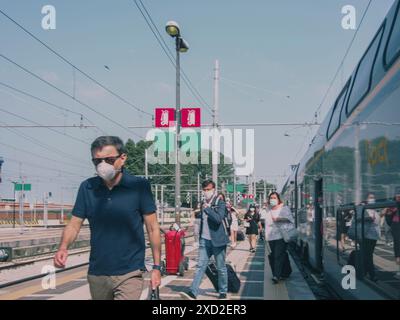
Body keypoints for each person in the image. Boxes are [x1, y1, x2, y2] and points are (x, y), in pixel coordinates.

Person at [53, 136, 161, 300]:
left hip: (130, 272)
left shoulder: (139, 186)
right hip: (98, 273)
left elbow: (153, 228)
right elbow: (74, 224)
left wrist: (157, 266)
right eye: (97, 161)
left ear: (122, 158)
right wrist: (63, 247)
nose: (103, 165)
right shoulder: (87, 188)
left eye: (109, 160)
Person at [180, 180, 230, 300]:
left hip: (218, 240)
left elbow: (218, 219)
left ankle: (223, 291)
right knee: (200, 266)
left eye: (208, 189)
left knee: (221, 267)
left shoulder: (220, 202)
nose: (206, 192)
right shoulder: (203, 203)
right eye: (204, 189)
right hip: (205, 240)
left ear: (213, 189)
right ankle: (193, 292)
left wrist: (207, 209)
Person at [264, 192, 294, 284]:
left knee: (277, 255)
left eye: (274, 198)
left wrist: (279, 219)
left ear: (278, 199)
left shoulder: (284, 208)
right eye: (271, 198)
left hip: (281, 235)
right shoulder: (268, 210)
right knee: (277, 255)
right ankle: (286, 271)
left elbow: (291, 220)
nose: (272, 199)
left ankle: (276, 275)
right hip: (270, 237)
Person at [383, 187, 400, 279]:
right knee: (398, 248)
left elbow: (388, 218)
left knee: (397, 248)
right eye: (398, 195)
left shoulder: (392, 204)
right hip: (396, 226)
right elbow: (388, 217)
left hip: (395, 225)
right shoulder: (392, 205)